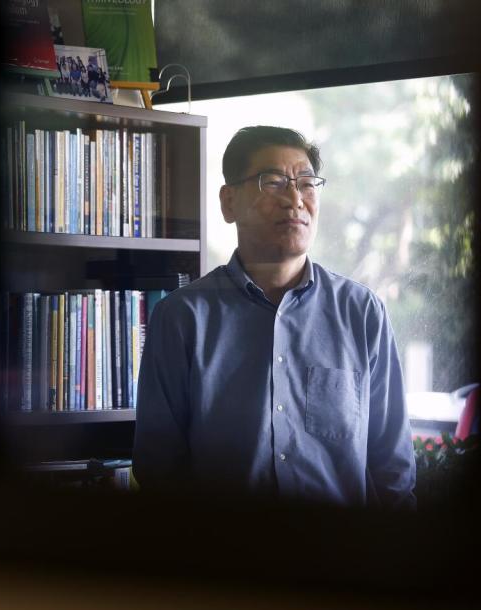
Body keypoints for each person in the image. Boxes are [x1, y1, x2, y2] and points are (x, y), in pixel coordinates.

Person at [133, 126, 416, 508]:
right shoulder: (182, 318)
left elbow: (392, 468)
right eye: (275, 182)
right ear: (228, 202)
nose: (295, 199)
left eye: (307, 183)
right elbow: (159, 470)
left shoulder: (362, 313)